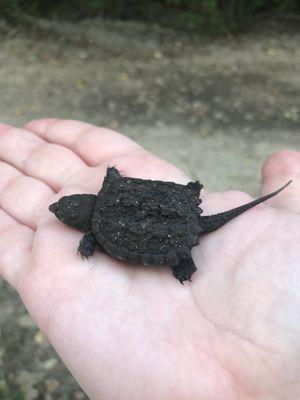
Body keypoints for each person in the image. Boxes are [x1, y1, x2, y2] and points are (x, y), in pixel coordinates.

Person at [0, 118, 299, 400]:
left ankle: (184, 261)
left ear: (80, 222)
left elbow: (93, 240)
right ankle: (186, 221)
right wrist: (112, 177)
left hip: (177, 234)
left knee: (175, 247)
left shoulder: (97, 232)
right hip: (180, 206)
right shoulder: (111, 188)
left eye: (63, 211)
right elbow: (114, 183)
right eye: (62, 210)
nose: (58, 210)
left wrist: (88, 246)